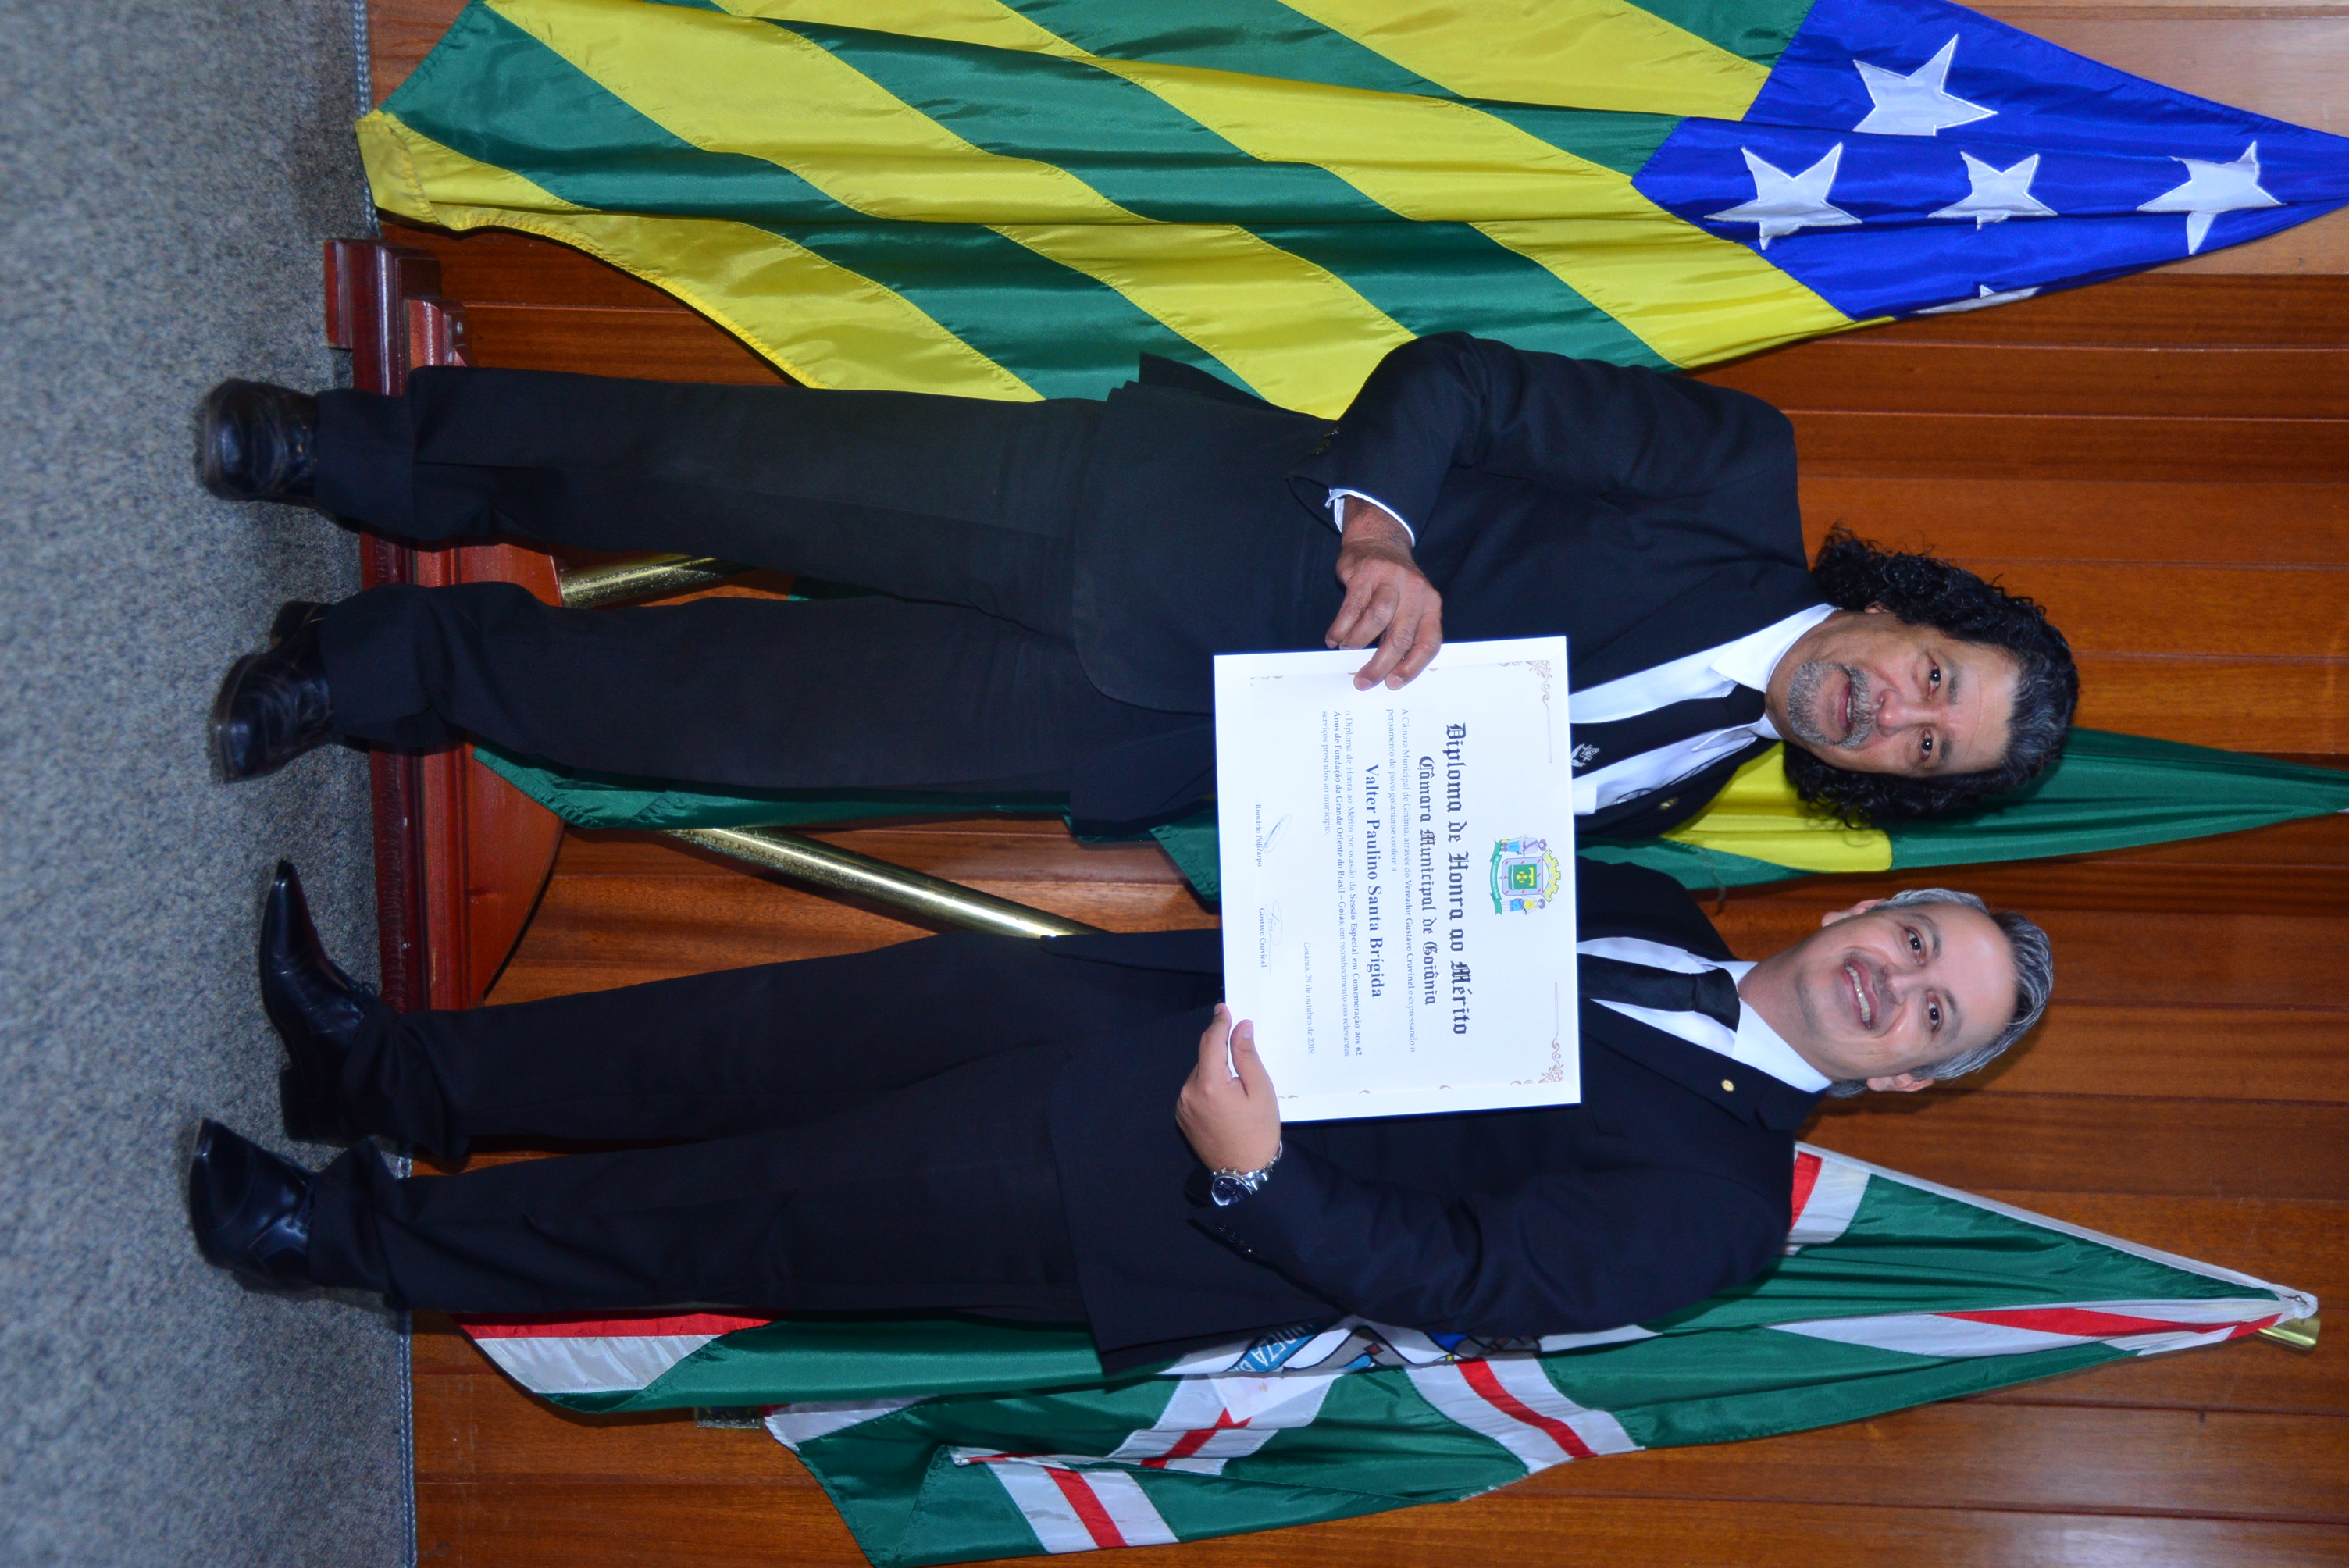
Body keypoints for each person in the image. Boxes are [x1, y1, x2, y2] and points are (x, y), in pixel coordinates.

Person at [190, 857, 2051, 1370]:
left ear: (1906, 1077)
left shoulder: (1718, 1206)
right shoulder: (1654, 908)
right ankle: (382, 1067)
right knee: (735, 1037)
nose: (1894, 980)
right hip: (1114, 1000)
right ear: (1866, 908)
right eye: (1913, 938)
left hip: (1145, 1183)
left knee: (730, 1207)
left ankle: (343, 1236)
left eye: (1932, 1011)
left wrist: (1260, 1178)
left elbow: (1467, 1280)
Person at [198, 334, 2077, 838]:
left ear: (1881, 782)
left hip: (1120, 731)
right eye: (1936, 675)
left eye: (1924, 748)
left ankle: (370, 669)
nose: (1893, 712)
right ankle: (357, 451)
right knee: (715, 465)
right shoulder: (1735, 474)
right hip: (1147, 520)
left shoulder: (1667, 793)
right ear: (1912, 609)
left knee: (722, 714)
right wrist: (1382, 534)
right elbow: (1458, 384)